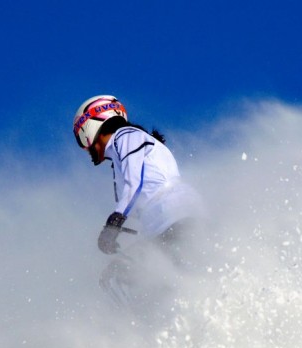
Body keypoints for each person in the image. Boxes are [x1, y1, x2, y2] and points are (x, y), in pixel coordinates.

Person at [72, 95, 205, 309]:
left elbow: (135, 183)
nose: (86, 149)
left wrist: (113, 224)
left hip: (173, 217)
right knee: (121, 274)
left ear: (91, 125)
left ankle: (168, 319)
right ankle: (169, 321)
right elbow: (142, 202)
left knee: (127, 279)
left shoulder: (126, 136)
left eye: (82, 140)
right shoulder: (127, 148)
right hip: (168, 222)